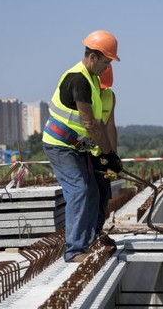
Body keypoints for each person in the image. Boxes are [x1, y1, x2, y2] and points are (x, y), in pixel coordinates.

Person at [42, 30, 122, 263]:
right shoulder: (78, 79)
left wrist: (110, 156)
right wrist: (108, 155)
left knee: (94, 191)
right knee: (80, 190)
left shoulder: (92, 80)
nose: (107, 67)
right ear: (93, 57)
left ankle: (89, 241)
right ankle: (75, 250)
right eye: (106, 62)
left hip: (75, 147)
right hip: (59, 145)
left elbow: (104, 125)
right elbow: (91, 124)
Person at [89, 64, 118, 236]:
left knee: (103, 193)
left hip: (102, 152)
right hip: (83, 151)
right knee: (87, 193)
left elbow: (110, 126)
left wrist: (113, 157)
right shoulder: (86, 95)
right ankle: (87, 236)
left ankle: (97, 232)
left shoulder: (110, 96)